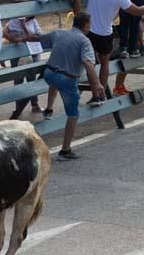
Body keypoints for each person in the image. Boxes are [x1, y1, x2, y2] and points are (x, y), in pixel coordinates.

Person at [83, 0, 144, 103]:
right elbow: (138, 11)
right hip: (104, 33)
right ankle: (99, 94)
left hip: (88, 31)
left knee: (89, 63)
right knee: (104, 63)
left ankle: (95, 92)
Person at [40, 12, 103, 160]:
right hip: (67, 78)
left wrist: (20, 38)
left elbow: (38, 39)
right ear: (86, 25)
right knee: (73, 115)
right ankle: (65, 150)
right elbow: (88, 63)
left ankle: (49, 109)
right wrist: (96, 83)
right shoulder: (84, 41)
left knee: (55, 84)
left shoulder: (59, 33)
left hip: (49, 73)